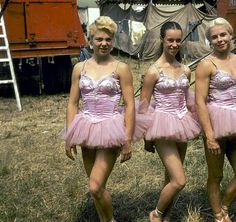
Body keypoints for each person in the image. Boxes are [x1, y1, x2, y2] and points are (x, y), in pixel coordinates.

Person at [62, 16, 135, 222]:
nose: (104, 43)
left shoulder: (121, 68)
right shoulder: (80, 68)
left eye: (108, 39)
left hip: (111, 127)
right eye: (99, 39)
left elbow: (129, 105)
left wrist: (127, 139)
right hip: (86, 127)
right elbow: (73, 103)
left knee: (94, 186)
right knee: (97, 187)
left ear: (113, 41)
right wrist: (70, 135)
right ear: (90, 40)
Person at [138, 21, 201, 222]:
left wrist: (196, 121)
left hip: (183, 122)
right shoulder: (153, 71)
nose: (174, 44)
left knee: (171, 178)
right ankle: (155, 215)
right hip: (162, 125)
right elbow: (144, 105)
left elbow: (187, 98)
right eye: (170, 40)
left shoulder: (185, 70)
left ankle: (167, 216)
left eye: (178, 40)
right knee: (180, 180)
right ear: (162, 40)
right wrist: (147, 136)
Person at [195, 17, 236, 222]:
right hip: (216, 122)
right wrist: (209, 135)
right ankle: (218, 215)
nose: (220, 39)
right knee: (216, 175)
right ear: (209, 41)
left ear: (230, 35)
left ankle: (225, 204)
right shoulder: (205, 65)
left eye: (223, 34)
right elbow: (200, 102)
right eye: (214, 37)